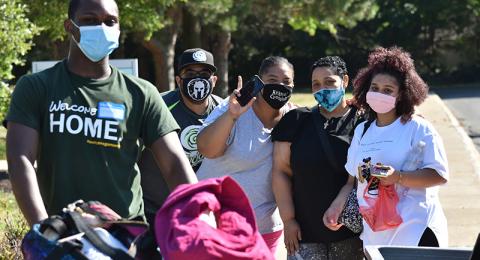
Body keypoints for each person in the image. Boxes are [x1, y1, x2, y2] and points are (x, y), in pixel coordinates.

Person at [5, 0, 197, 227]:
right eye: (90, 20)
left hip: (127, 237)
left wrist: (199, 215)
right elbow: (20, 158)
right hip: (63, 236)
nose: (102, 27)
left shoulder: (142, 93)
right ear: (69, 26)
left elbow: (175, 164)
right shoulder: (37, 87)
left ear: (118, 29)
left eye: (110, 21)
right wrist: (43, 228)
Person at [345, 46, 449, 247]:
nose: (379, 94)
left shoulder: (418, 127)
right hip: (375, 234)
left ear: (402, 94)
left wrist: (398, 177)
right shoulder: (362, 131)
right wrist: (336, 206)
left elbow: (439, 174)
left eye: (388, 90)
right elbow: (353, 178)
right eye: (374, 88)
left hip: (415, 229)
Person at [195, 56, 296, 254]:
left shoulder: (294, 118)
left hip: (265, 231)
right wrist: (232, 115)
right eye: (272, 80)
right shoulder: (233, 107)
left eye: (286, 82)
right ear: (259, 81)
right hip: (214, 227)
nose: (280, 86)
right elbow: (206, 149)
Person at [271, 56, 365, 259]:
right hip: (304, 235)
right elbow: (280, 171)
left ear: (345, 81)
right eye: (316, 84)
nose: (323, 89)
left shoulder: (364, 122)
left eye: (330, 82)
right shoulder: (296, 121)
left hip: (353, 235)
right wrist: (288, 220)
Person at [139, 48, 223, 226]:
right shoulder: (159, 107)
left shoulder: (223, 111)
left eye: (204, 73)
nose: (197, 78)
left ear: (214, 81)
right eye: (190, 73)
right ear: (178, 80)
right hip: (156, 210)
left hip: (200, 211)